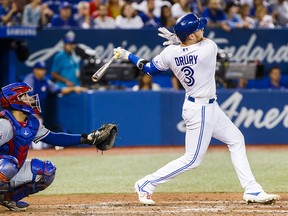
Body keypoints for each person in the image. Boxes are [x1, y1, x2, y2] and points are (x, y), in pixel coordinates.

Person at [113, 13, 280, 205]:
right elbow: (198, 42)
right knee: (192, 160)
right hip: (200, 109)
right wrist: (179, 38)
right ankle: (146, 183)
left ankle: (252, 189)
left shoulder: (170, 53)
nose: (203, 29)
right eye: (198, 28)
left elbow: (149, 68)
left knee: (236, 140)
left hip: (206, 106)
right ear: (191, 36)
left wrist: (128, 55)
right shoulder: (208, 49)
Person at [0, 82, 117, 211]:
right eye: (25, 95)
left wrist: (86, 139)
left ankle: (8, 198)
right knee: (8, 165)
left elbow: (55, 138)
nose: (30, 98)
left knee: (47, 171)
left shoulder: (32, 122)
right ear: (15, 100)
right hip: (5, 168)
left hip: (13, 171)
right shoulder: (5, 124)